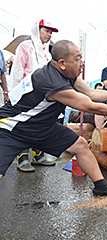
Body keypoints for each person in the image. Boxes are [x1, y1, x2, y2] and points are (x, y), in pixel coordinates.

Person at [0, 40, 107, 196]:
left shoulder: (68, 75)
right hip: (11, 129)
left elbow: (92, 94)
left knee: (80, 145)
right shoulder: (51, 82)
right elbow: (89, 106)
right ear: (62, 63)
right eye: (78, 58)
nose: (82, 63)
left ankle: (101, 186)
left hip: (41, 127)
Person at [9, 19, 59, 172]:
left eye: (51, 32)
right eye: (46, 31)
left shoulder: (48, 51)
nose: (49, 35)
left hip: (43, 95)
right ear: (37, 30)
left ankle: (38, 154)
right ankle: (22, 157)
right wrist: (13, 95)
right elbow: (17, 70)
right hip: (25, 93)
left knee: (40, 125)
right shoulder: (25, 46)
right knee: (24, 125)